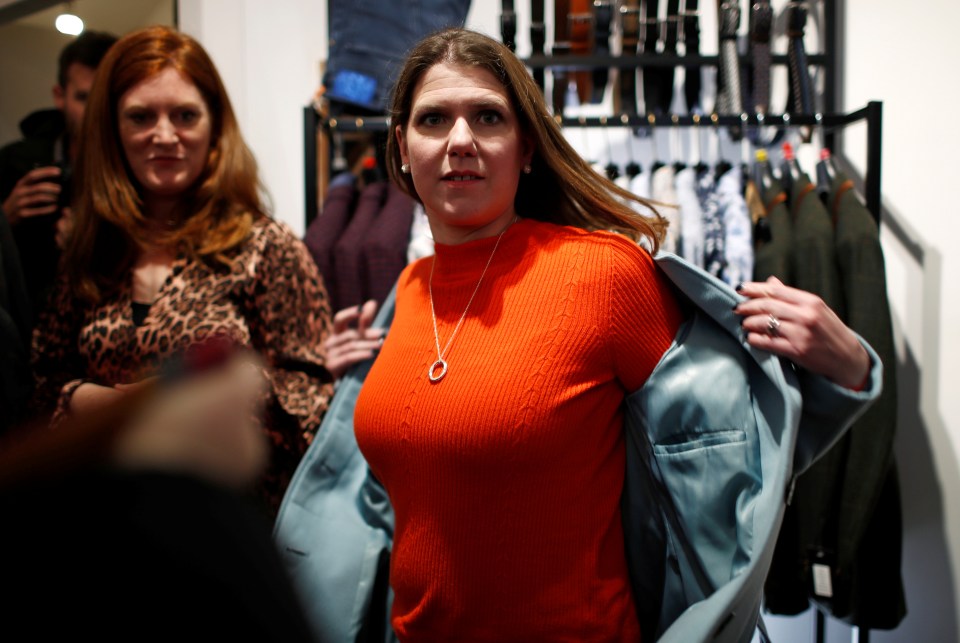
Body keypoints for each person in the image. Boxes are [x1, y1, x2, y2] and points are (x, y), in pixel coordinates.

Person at [274, 28, 880, 642]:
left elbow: (733, 456)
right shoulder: (407, 290)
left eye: (487, 117)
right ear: (402, 147)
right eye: (434, 120)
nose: (460, 140)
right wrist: (344, 384)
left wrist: (848, 367)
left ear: (527, 147)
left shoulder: (603, 274)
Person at [29, 25, 350, 516]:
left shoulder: (265, 246)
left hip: (228, 527)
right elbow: (41, 381)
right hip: (102, 522)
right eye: (140, 116)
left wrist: (217, 395)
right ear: (112, 130)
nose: (164, 135)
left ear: (213, 124)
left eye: (184, 115)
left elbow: (313, 395)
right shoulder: (89, 250)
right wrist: (87, 400)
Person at [0, 342, 316, 642]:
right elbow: (38, 387)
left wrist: (247, 380)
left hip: (222, 491)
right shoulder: (81, 287)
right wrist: (89, 399)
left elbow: (307, 383)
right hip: (94, 500)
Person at [0, 30, 118, 318]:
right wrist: (4, 218)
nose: (93, 111)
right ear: (59, 96)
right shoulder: (14, 162)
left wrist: (89, 245)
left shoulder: (136, 169)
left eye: (103, 97)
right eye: (83, 97)